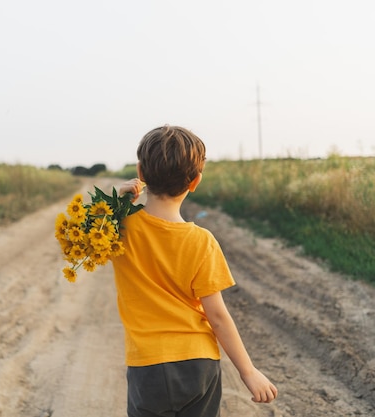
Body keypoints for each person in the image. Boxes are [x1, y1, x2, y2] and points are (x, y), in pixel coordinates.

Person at [111, 125, 277, 417]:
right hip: (198, 363)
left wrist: (115, 204)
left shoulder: (119, 228)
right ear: (195, 181)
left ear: (140, 172)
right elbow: (218, 315)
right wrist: (248, 371)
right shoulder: (202, 241)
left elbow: (77, 240)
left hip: (147, 364)